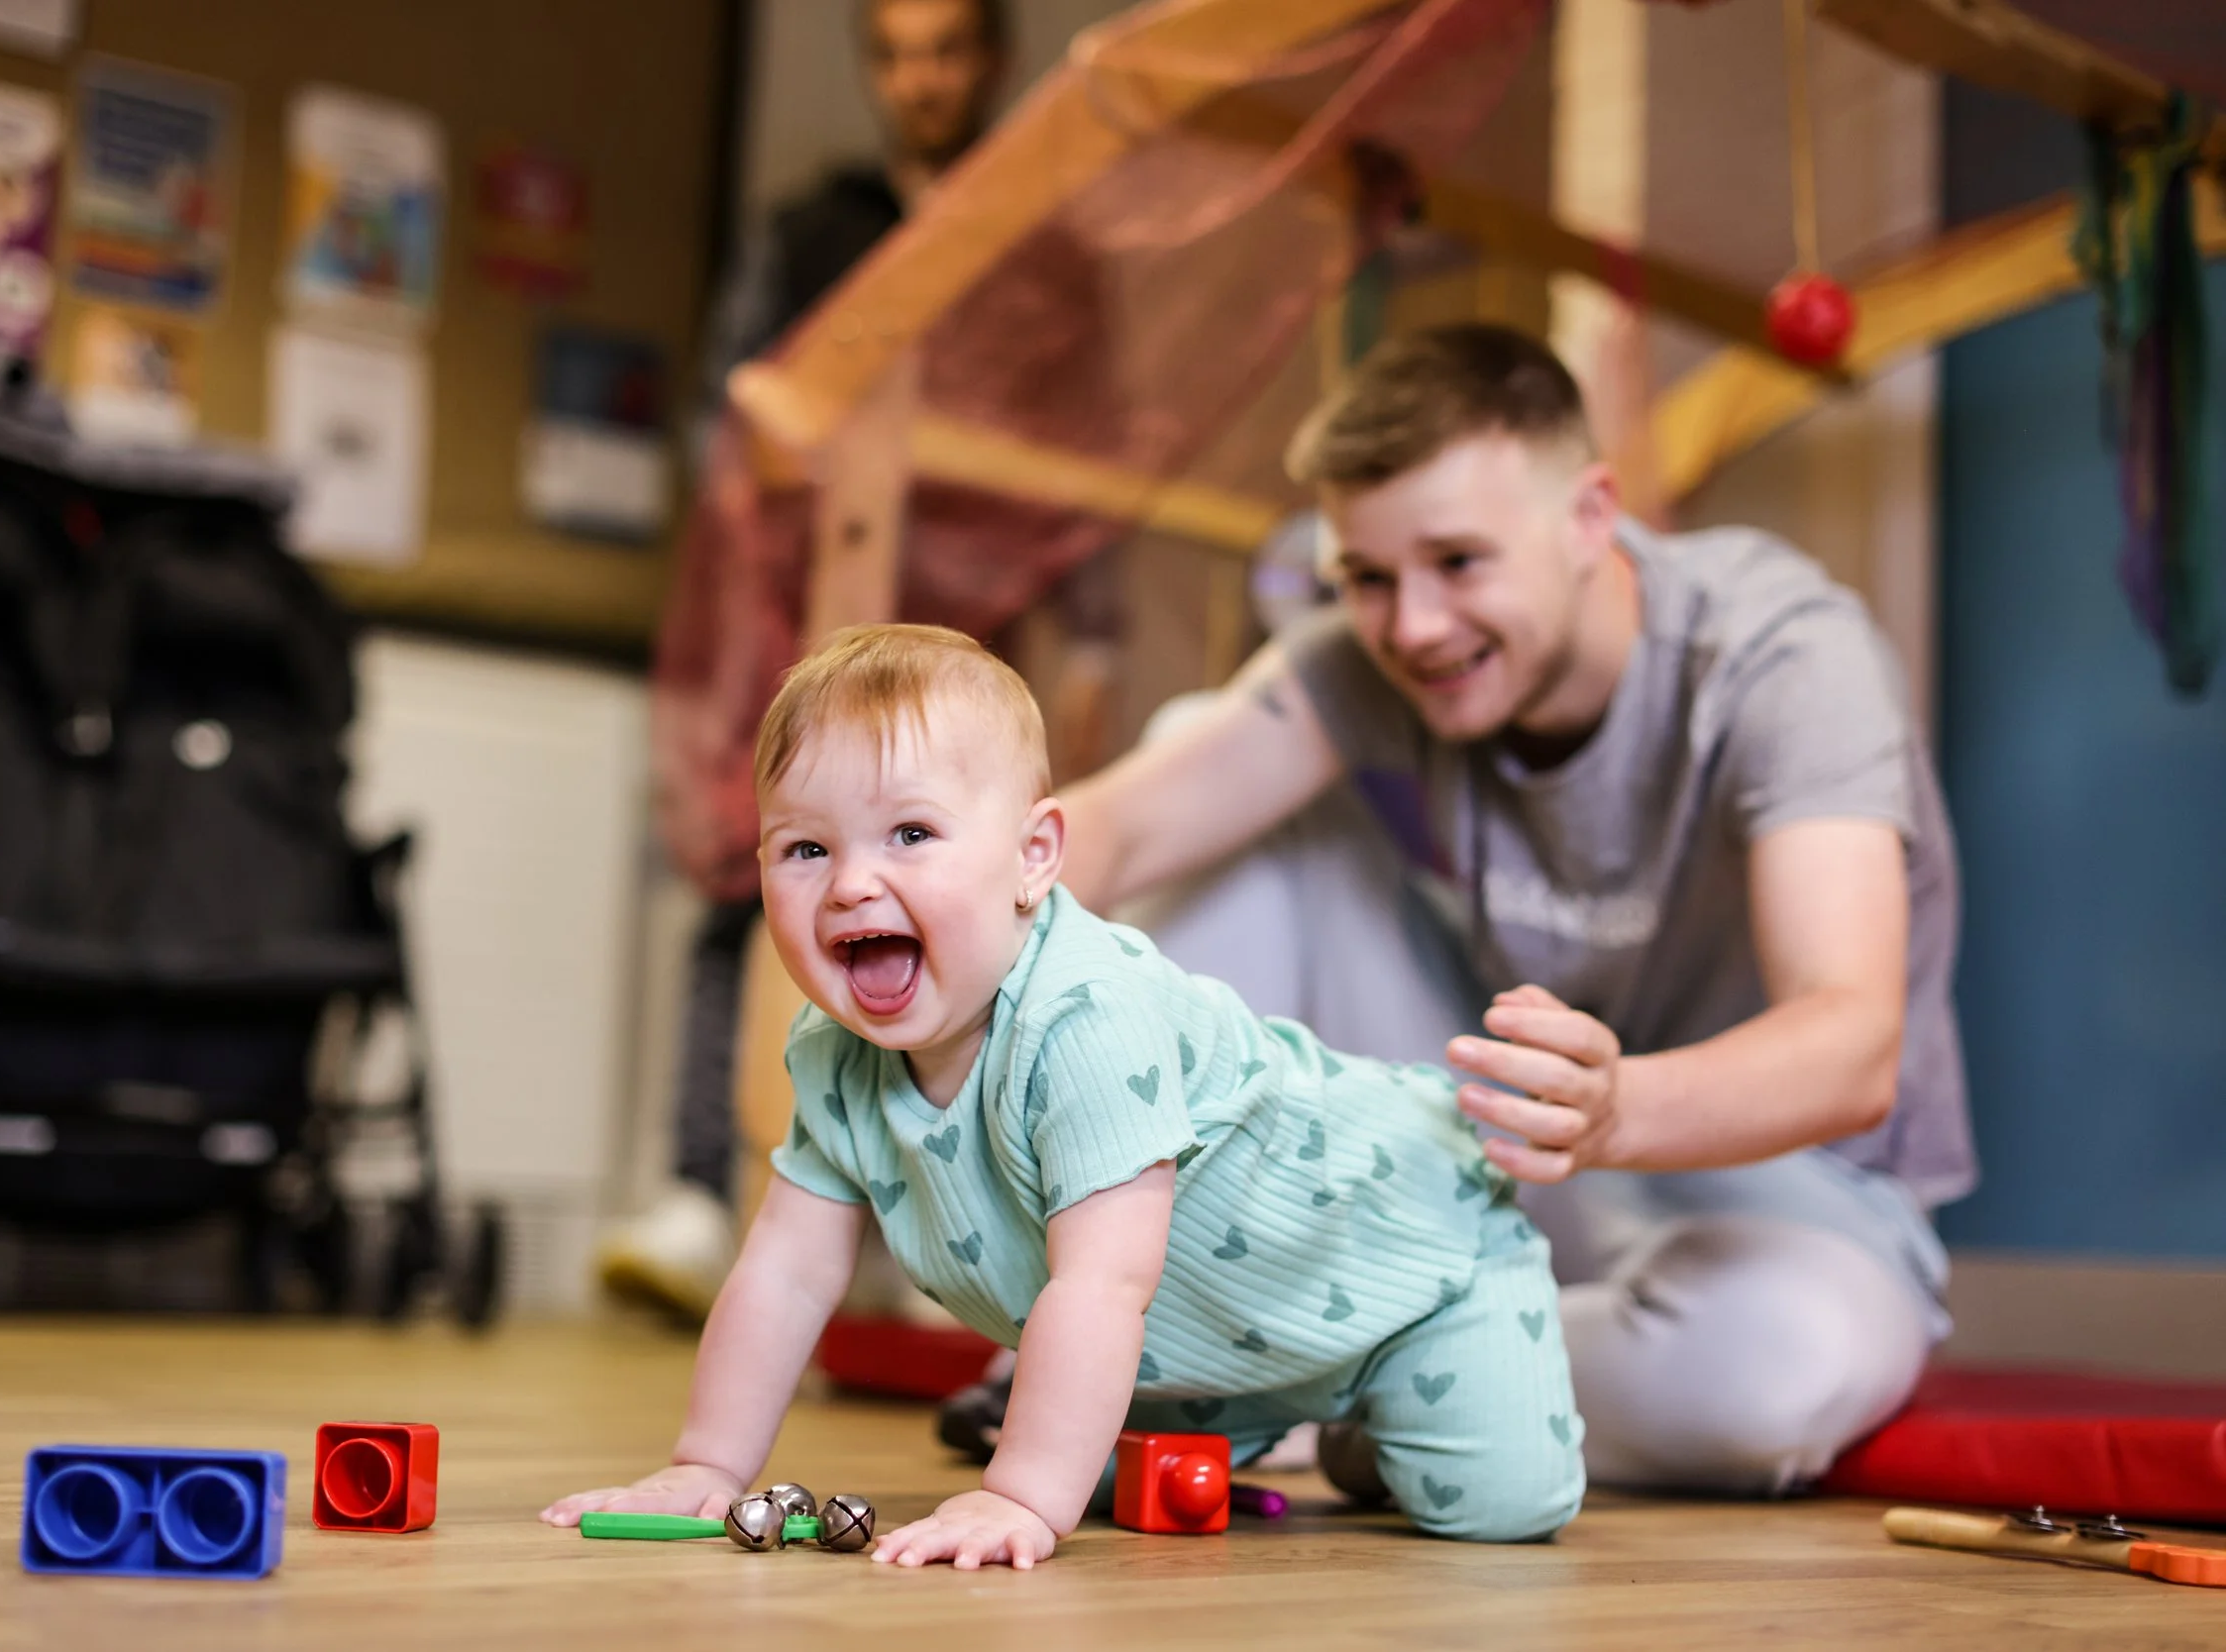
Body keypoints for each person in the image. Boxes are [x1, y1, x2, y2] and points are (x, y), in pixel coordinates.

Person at [943, 323, 1970, 1497]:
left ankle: (1342, 1376)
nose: (1415, 626)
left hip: (1770, 1180)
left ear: (1590, 517)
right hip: (1489, 1139)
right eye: (1368, 579)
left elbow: (1853, 1045)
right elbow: (1118, 827)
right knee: (1201, 770)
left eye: (1460, 563)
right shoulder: (1368, 664)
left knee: (1762, 1378)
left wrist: (1615, 1106)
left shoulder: (1784, 659)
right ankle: (1201, 1323)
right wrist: (914, 908)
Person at [545, 625, 1584, 1563]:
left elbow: (1099, 1286)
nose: (853, 883)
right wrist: (707, 1468)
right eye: (806, 848)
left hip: (1407, 1246)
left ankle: (1391, 1392)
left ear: (1032, 858)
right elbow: (781, 1275)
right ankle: (1338, 1422)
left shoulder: (1086, 1016)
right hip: (1214, 1346)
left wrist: (1022, 1502)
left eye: (910, 834)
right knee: (1096, 1444)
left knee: (1498, 1505)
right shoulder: (831, 1052)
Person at [599, 0, 1124, 1316]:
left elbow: (1086, 472)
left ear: (992, 60)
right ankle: (698, 1192)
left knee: (952, 914)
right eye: (894, 55)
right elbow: (735, 427)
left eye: (944, 50)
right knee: (761, 876)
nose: (920, 78)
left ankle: (932, 1231)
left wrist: (1088, 646)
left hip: (965, 637)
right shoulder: (810, 236)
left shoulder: (1042, 257)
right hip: (801, 614)